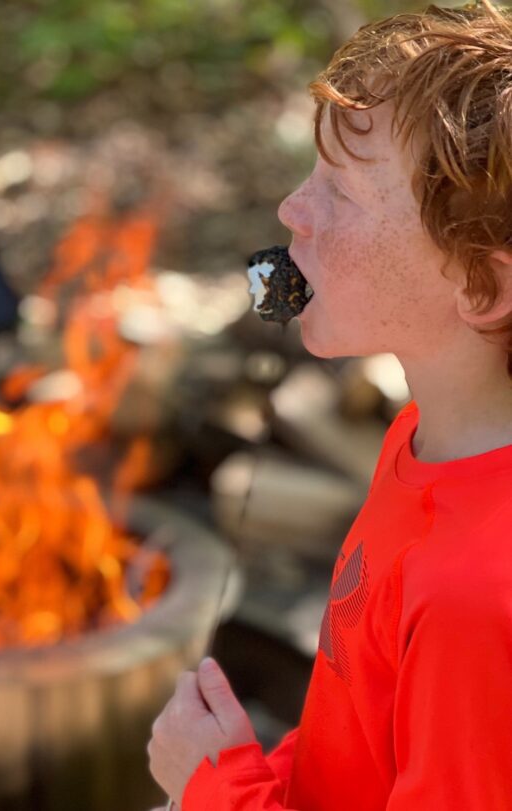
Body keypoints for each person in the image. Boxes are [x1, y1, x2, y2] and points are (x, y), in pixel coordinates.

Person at [147, 1, 512, 808]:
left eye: (340, 192)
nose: (291, 211)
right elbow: (369, 739)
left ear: (483, 283)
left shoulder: (476, 602)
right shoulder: (427, 435)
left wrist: (217, 787)